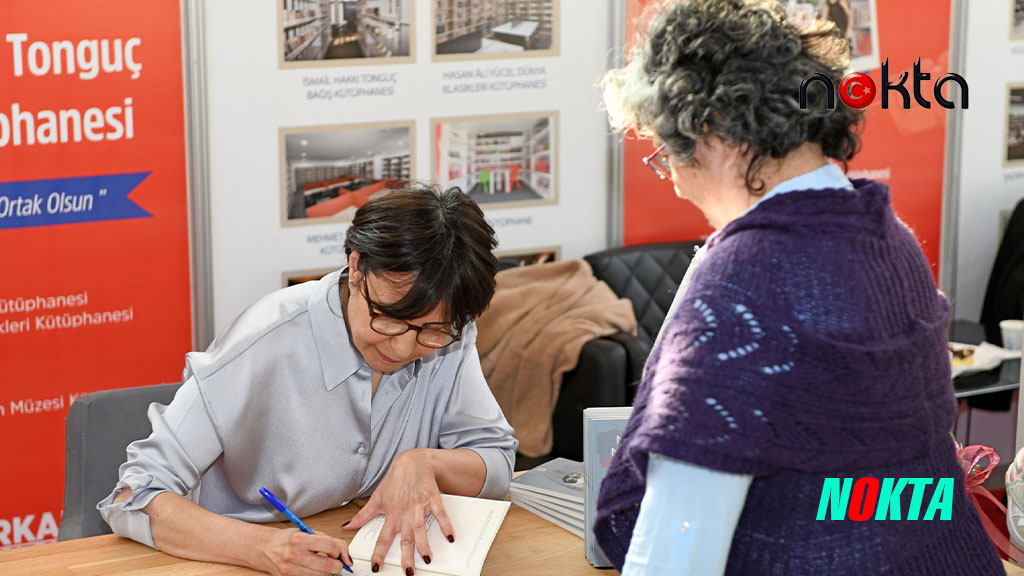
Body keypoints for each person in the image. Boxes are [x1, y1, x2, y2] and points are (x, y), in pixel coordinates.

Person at [594, 1, 1003, 575]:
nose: (677, 184)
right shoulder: (893, 242)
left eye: (667, 156)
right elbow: (887, 487)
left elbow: (680, 537)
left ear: (711, 132)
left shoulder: (741, 276)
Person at [99, 184, 517, 576]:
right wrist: (263, 548)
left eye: (430, 331)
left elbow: (497, 459)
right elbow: (135, 496)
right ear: (356, 267)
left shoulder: (448, 337)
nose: (405, 350)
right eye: (389, 319)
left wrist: (426, 463)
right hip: (229, 560)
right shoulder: (265, 340)